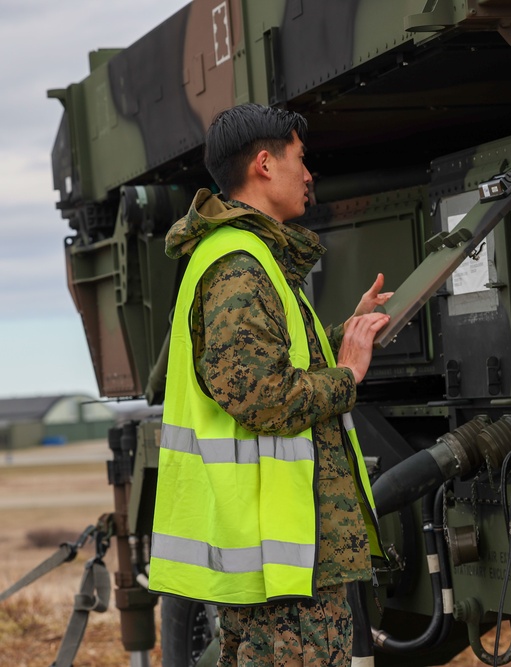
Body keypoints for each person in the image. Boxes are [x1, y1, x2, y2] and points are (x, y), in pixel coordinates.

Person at [147, 102, 390, 667]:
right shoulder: (238, 264)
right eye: (300, 160)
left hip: (277, 560)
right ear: (264, 163)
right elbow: (262, 397)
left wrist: (344, 335)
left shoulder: (251, 256)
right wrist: (348, 374)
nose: (309, 175)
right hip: (279, 568)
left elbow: (271, 360)